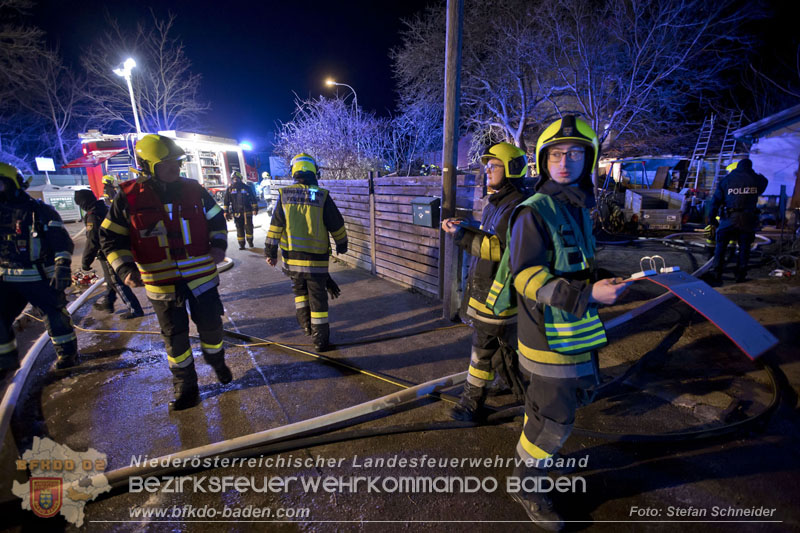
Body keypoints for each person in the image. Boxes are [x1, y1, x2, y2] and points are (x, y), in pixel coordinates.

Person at [488, 116, 629, 529]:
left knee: (552, 414)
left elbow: (574, 264)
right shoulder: (535, 211)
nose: (563, 161)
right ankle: (526, 485)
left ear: (589, 159)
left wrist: (599, 282)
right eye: (554, 154)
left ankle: (537, 463)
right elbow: (526, 276)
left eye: (574, 153)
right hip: (548, 340)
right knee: (553, 421)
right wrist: (586, 296)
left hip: (573, 334)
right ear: (542, 160)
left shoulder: (576, 208)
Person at [100, 134, 232, 411]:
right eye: (167, 163)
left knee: (211, 327)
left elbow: (217, 219)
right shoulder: (127, 197)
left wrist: (219, 245)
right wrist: (124, 268)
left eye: (177, 162)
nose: (176, 168)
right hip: (160, 284)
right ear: (147, 166)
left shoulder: (195, 189)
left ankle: (217, 361)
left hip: (202, 278)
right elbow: (110, 238)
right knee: (175, 338)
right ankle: (186, 387)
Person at [441, 142, 528, 421]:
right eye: (487, 166)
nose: (487, 171)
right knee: (502, 346)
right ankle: (521, 393)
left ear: (512, 169)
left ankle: (471, 403)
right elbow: (488, 235)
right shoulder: (497, 202)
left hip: (497, 292)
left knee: (481, 351)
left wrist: (459, 236)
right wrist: (464, 227)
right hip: (488, 289)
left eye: (494, 166)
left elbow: (499, 250)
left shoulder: (517, 207)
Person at [0, 162, 79, 375]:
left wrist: (62, 266)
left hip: (39, 277)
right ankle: (5, 361)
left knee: (55, 316)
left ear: (14, 184)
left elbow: (61, 242)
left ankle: (67, 354)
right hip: (6, 279)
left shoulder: (40, 211)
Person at [265, 153, 347, 352]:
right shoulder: (321, 195)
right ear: (313, 171)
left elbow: (275, 226)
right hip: (316, 260)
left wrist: (270, 251)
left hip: (292, 259)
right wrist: (342, 244)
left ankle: (306, 327)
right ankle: (320, 341)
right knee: (318, 298)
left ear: (294, 170)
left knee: (300, 292)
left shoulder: (284, 195)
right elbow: (336, 223)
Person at [73, 189, 143, 319]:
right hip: (117, 249)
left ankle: (135, 309)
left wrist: (85, 262)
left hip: (108, 253)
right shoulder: (105, 208)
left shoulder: (93, 215)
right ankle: (108, 302)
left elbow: (92, 241)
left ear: (82, 203)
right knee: (110, 279)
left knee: (116, 281)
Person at [708, 158, 768, 283]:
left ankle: (716, 273)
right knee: (744, 248)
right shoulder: (755, 179)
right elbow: (764, 182)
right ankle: (740, 275)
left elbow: (715, 201)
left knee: (721, 246)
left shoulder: (727, 180)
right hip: (747, 220)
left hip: (729, 218)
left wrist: (712, 219)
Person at [223, 171, 258, 249]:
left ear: (240, 179)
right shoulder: (229, 190)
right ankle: (241, 244)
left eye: (237, 178)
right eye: (234, 179)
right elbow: (226, 202)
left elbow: (253, 198)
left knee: (249, 227)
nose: (235, 180)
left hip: (247, 212)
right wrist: (226, 212)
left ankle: (250, 242)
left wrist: (255, 208)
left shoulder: (247, 188)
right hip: (237, 213)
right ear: (232, 179)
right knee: (239, 228)